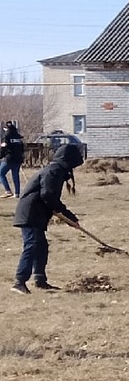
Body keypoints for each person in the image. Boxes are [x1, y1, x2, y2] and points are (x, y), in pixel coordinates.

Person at [11, 136, 84, 291]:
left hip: (37, 214)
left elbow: (50, 197)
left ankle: (40, 279)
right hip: (30, 213)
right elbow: (48, 195)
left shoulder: (57, 170)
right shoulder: (54, 171)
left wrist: (68, 216)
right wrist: (64, 214)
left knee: (41, 246)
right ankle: (19, 281)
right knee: (32, 245)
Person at [1, 120, 23, 198]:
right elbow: (22, 147)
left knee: (1, 173)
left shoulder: (7, 136)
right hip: (18, 159)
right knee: (15, 175)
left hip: (9, 158)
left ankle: (8, 191)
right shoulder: (18, 136)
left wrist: (1, 155)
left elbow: (4, 148)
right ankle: (17, 193)